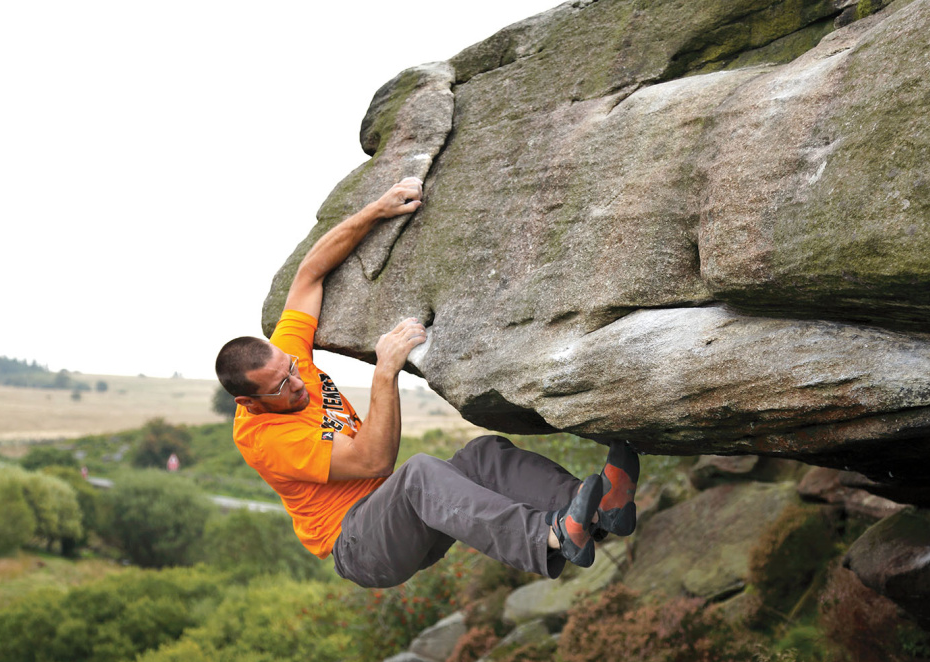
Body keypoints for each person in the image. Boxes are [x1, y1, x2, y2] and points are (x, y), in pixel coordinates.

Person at [214, 177, 639, 587]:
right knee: (418, 472)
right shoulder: (266, 438)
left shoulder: (284, 358)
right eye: (281, 387)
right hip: (362, 546)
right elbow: (374, 462)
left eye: (290, 367)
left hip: (409, 520)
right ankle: (550, 537)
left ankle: (596, 511)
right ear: (251, 402)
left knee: (484, 456)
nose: (296, 383)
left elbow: (309, 274)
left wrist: (376, 210)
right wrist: (385, 371)